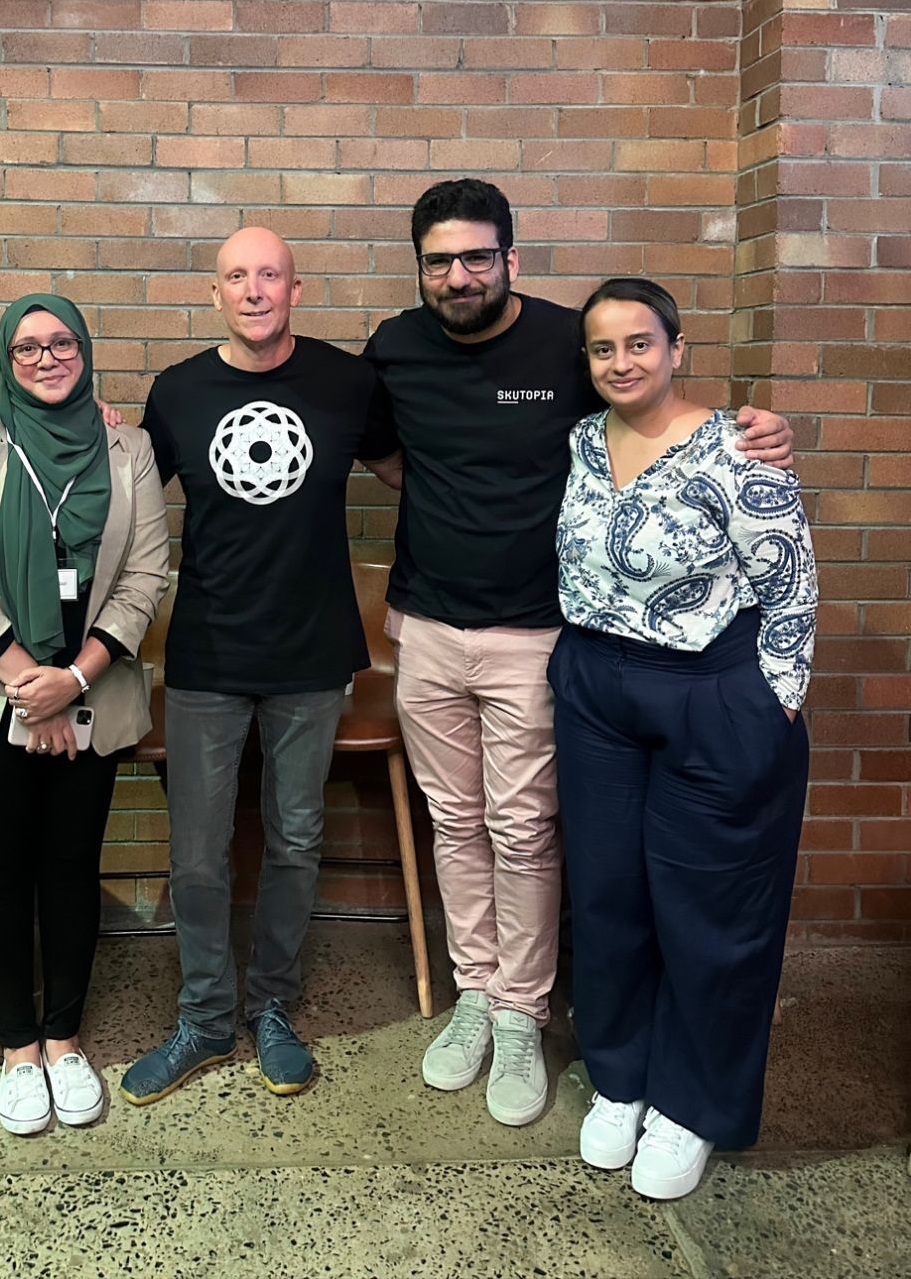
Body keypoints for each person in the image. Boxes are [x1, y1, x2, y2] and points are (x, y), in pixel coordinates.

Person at [361, 180, 794, 1128]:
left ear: (510, 259)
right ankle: (476, 992)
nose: (459, 275)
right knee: (455, 822)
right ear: (419, 269)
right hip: (425, 628)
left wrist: (750, 432)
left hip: (536, 634)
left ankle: (522, 1012)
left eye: (478, 256)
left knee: (523, 829)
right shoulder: (394, 346)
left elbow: (649, 404)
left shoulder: (570, 341)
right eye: (439, 261)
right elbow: (391, 459)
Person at [548, 277, 816, 1198]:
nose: (621, 362)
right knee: (608, 895)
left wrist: (775, 701)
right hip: (596, 688)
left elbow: (790, 584)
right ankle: (621, 1076)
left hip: (711, 691)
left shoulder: (739, 445)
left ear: (676, 348)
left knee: (710, 908)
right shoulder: (584, 441)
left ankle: (691, 1104)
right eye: (603, 349)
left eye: (639, 343)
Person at [120, 227, 399, 1105]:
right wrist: (95, 436)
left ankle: (272, 1004)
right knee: (198, 852)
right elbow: (125, 492)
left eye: (268, 275)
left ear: (295, 289)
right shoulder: (179, 391)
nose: (253, 290)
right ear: (215, 295)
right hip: (208, 651)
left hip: (311, 652)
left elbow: (415, 468)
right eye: (236, 277)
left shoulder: (347, 383)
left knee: (297, 838)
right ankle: (206, 1018)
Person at [0, 295, 168, 1137]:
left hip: (93, 696)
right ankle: (17, 1049)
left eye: (62, 343)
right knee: (0, 874)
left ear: (85, 351)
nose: (47, 358)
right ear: (5, 359)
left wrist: (77, 677)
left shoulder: (129, 448)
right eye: (27, 347)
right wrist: (34, 686)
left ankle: (63, 1040)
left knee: (70, 869)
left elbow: (145, 576)